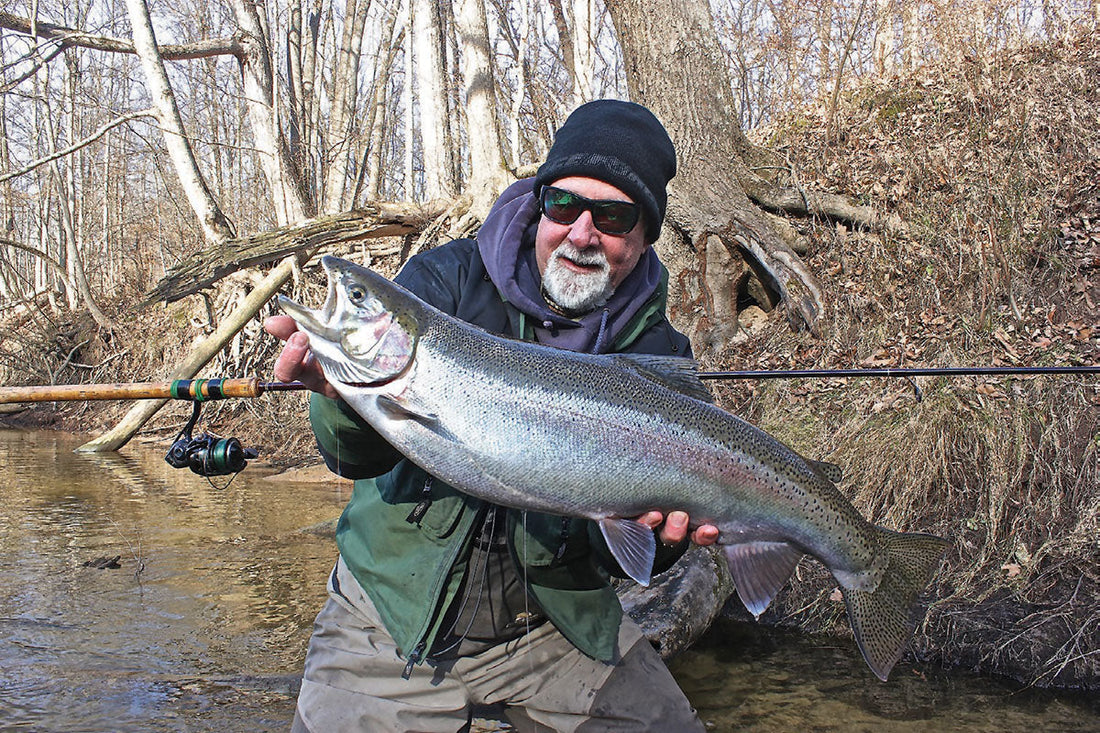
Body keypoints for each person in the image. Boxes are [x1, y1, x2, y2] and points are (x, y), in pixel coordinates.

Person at [266, 99, 720, 732]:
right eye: (563, 205)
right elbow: (352, 455)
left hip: (553, 627)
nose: (581, 233)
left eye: (614, 217)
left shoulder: (657, 352)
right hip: (390, 618)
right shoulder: (445, 282)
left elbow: (617, 554)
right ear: (539, 206)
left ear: (643, 239)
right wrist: (338, 398)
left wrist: (660, 541)